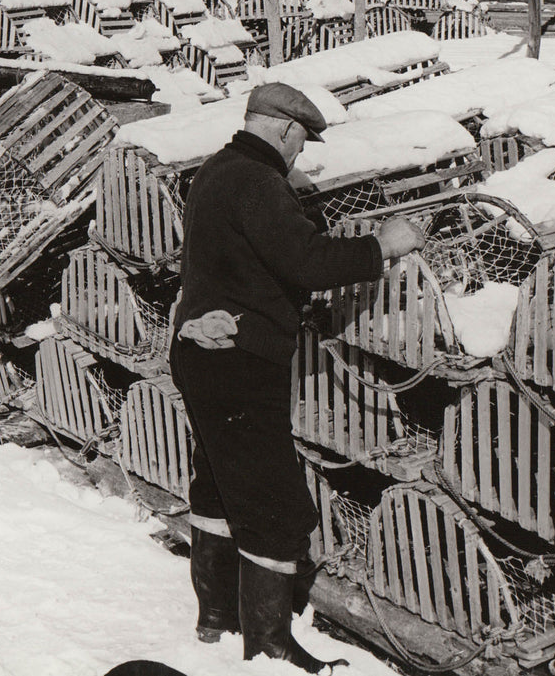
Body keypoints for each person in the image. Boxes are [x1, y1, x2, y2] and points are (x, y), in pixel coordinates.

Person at [170, 82, 425, 672]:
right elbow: (308, 263)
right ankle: (270, 648)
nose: (299, 153)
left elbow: (252, 257)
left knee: (218, 481)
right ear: (285, 129)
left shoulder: (214, 169)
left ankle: (215, 617)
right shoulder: (259, 182)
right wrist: (382, 245)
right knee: (274, 502)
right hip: (238, 359)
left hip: (198, 349)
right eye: (302, 142)